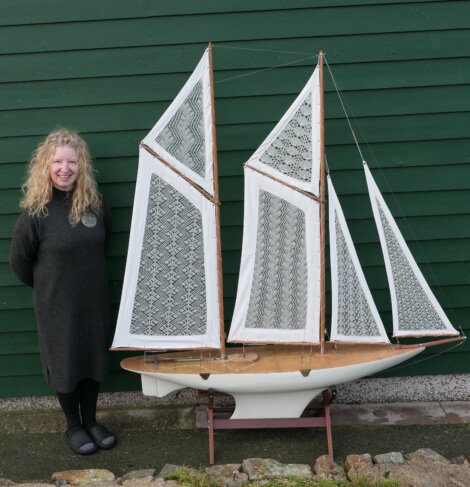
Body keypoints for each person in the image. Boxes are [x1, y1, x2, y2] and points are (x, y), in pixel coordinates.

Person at [10, 128, 116, 455]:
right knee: (67, 363)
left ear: (81, 166)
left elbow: (103, 243)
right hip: (56, 305)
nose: (64, 168)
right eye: (57, 161)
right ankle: (73, 425)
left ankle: (92, 421)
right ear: (46, 165)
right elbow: (19, 263)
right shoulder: (35, 214)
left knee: (92, 359)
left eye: (72, 162)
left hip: (93, 301)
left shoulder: (95, 207)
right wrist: (50, 288)